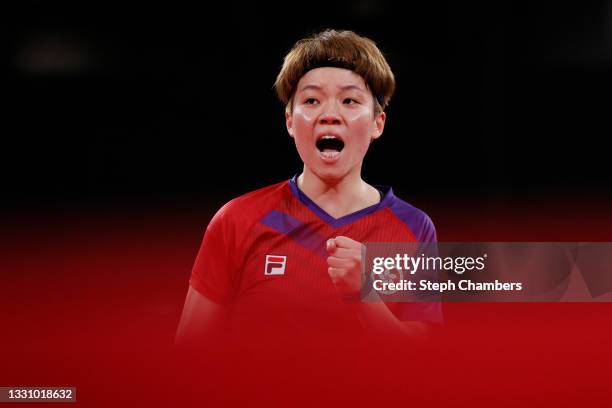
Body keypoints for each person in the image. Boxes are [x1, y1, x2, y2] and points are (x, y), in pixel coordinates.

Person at [175, 29, 442, 350]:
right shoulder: (236, 219)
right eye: (312, 100)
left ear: (377, 124)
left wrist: (365, 295)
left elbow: (422, 362)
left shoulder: (415, 228)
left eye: (350, 100)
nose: (329, 115)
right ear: (290, 121)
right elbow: (189, 353)